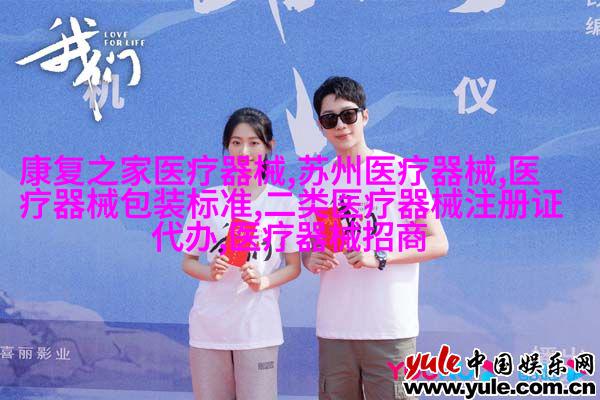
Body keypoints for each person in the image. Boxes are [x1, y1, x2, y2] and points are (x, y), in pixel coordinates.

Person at [302, 77, 449, 400]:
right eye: (330, 119)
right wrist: (311, 258)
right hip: (335, 330)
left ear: (365, 116)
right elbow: (309, 248)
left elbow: (438, 242)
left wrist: (380, 257)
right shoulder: (317, 183)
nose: (341, 126)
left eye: (348, 115)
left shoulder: (398, 171)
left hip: (389, 329)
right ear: (320, 127)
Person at [178, 107, 301, 400]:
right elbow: (188, 262)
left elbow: (293, 266)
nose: (244, 151)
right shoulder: (207, 200)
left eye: (253, 142)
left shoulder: (284, 202)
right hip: (209, 330)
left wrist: (263, 281)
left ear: (269, 147)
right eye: (236, 142)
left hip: (257, 330)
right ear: (227, 147)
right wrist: (210, 272)